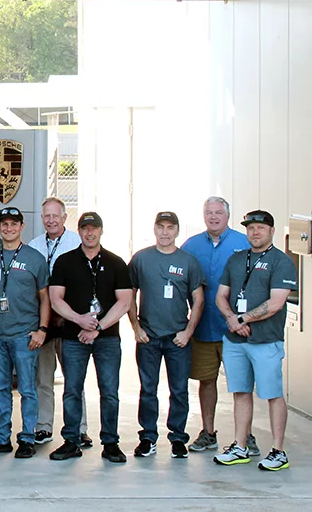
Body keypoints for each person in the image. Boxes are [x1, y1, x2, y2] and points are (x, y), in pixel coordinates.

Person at [213, 210, 298, 471]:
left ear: (272, 231)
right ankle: (240, 447)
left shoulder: (281, 261)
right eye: (250, 228)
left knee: (273, 394)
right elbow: (221, 296)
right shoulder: (236, 259)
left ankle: (278, 452)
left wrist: (242, 319)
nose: (255, 232)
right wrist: (232, 319)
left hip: (266, 341)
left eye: (260, 228)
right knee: (240, 392)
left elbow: (276, 303)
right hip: (236, 341)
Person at [47, 212, 132, 463]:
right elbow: (55, 299)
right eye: (85, 228)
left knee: (109, 392)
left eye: (94, 228)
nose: (89, 233)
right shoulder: (65, 261)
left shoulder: (116, 263)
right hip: (73, 338)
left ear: (101, 231)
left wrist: (98, 327)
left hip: (107, 339)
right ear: (79, 231)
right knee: (72, 390)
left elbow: (125, 302)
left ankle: (111, 443)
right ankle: (71, 441)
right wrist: (79, 320)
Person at [126, 211, 205, 459]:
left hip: (177, 339)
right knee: (148, 389)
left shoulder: (188, 261)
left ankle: (178, 438)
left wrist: (188, 332)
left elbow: (199, 300)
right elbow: (129, 294)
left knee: (179, 390)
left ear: (177, 231)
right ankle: (148, 437)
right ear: (154, 229)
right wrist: (136, 328)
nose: (165, 232)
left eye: (170, 227)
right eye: (161, 227)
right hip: (148, 337)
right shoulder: (141, 259)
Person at [181, 196, 253, 454]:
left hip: (237, 329)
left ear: (227, 216)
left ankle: (246, 436)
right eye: (209, 213)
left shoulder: (243, 243)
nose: (213, 217)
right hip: (204, 328)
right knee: (206, 380)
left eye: (218, 213)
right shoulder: (191, 246)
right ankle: (208, 432)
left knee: (241, 384)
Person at [0, 207, 49, 459]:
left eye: (14, 224)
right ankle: (0, 438)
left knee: (27, 389)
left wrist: (42, 329)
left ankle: (27, 438)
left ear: (21, 227)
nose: (9, 229)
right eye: (5, 224)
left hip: (24, 334)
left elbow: (44, 297)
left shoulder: (34, 258)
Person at [29, 196, 90, 447]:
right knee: (43, 379)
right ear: (42, 218)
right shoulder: (34, 246)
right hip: (44, 324)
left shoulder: (78, 243)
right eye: (47, 216)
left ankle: (79, 428)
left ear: (65, 217)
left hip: (71, 324)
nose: (51, 220)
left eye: (56, 216)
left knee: (74, 380)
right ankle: (43, 427)